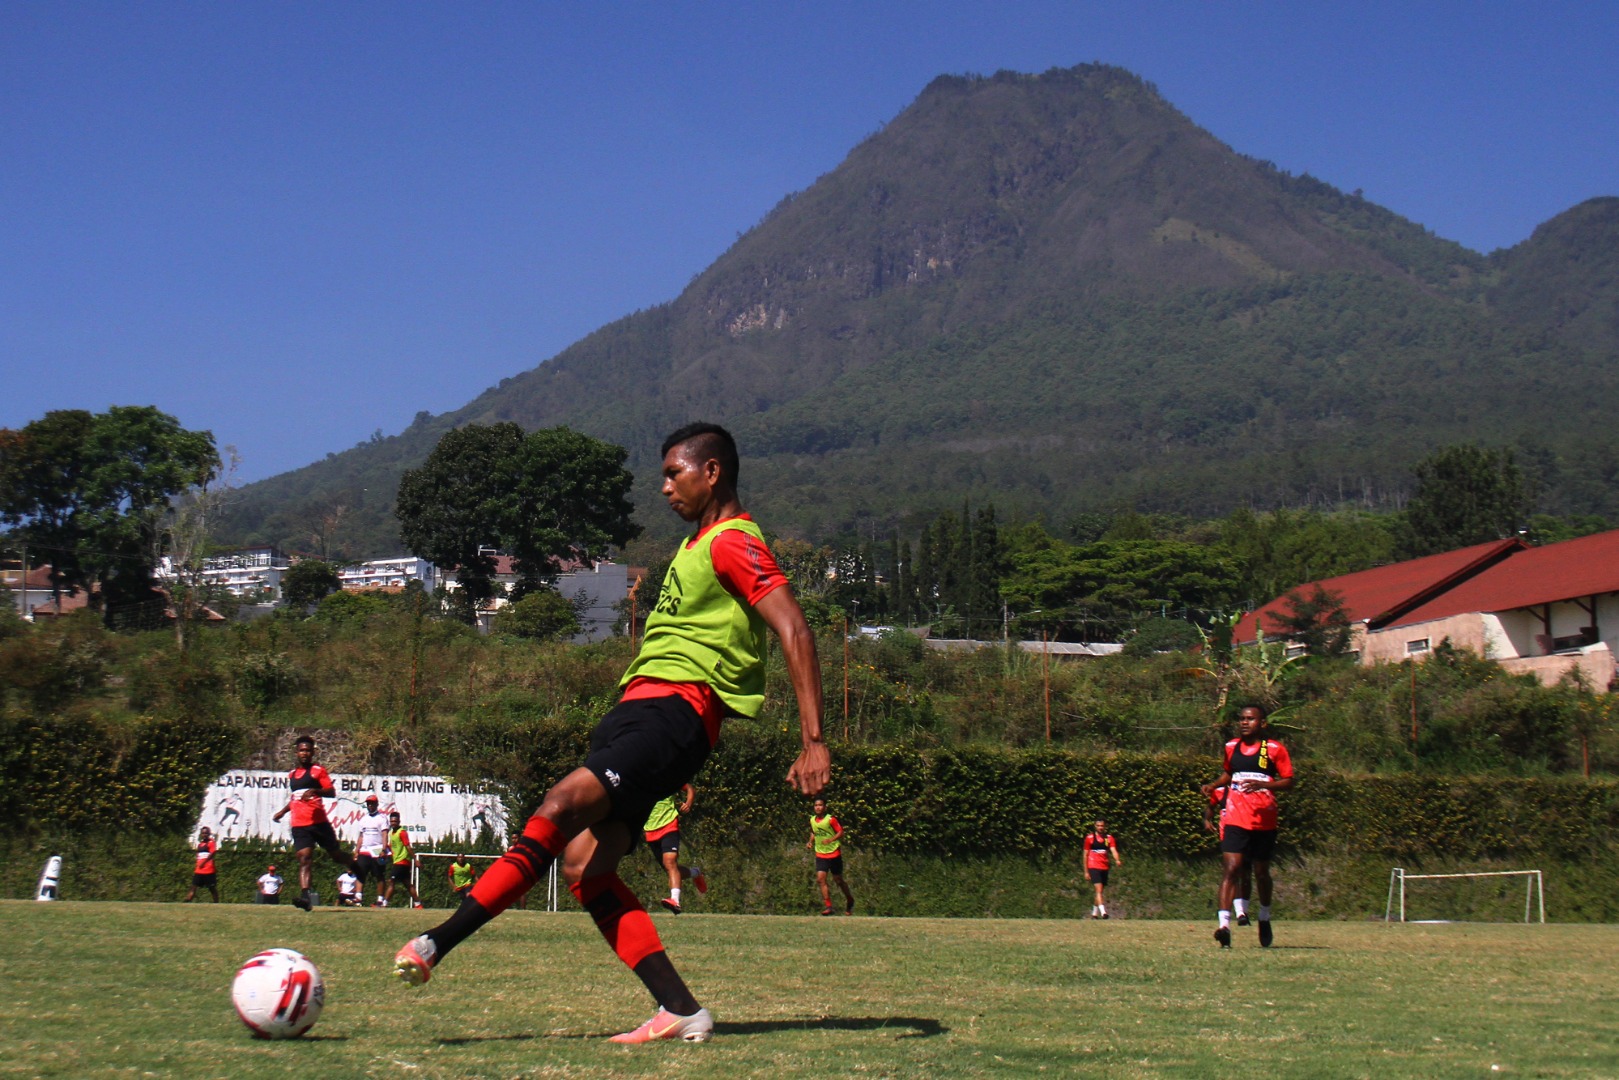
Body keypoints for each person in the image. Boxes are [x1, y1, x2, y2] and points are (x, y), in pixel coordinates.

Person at [392, 422, 830, 1045]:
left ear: (711, 473)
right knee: (582, 867)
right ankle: (680, 1009)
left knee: (560, 804)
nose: (664, 487)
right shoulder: (693, 547)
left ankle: (438, 941)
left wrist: (813, 740)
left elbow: (796, 629)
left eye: (674, 473)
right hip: (638, 711)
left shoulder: (734, 540)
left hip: (676, 714)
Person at [1202, 704, 1294, 948]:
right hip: (1234, 817)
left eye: (1250, 719)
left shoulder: (1274, 749)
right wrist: (1213, 784)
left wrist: (1264, 785)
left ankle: (1264, 917)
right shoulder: (1231, 747)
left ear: (1262, 723)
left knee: (1261, 873)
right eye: (1241, 719)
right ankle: (1224, 927)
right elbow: (1228, 774)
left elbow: (1288, 782)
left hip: (1264, 819)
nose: (1244, 723)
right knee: (1231, 869)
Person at [270, 735, 362, 911]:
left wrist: (315, 791)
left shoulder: (318, 771)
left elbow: (331, 792)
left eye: (307, 750)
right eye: (301, 750)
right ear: (296, 752)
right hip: (299, 824)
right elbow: (295, 798)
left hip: (318, 823)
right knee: (304, 859)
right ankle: (306, 898)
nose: (304, 753)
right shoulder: (292, 775)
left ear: (312, 752)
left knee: (335, 856)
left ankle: (353, 865)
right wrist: (282, 812)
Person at [643, 783, 707, 914]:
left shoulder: (667, 776)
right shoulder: (639, 779)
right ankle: (695, 873)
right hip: (650, 831)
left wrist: (688, 802)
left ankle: (675, 901)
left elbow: (689, 788)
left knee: (669, 862)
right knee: (671, 869)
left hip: (669, 825)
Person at [1202, 783, 1252, 925]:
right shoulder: (1220, 792)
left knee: (1246, 873)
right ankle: (1239, 913)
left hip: (1246, 833)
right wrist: (1207, 820)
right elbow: (1210, 807)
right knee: (1232, 871)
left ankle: (1243, 911)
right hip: (1228, 836)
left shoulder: (1248, 789)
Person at [808, 796, 854, 916]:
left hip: (833, 853)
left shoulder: (831, 819)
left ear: (825, 807)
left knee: (838, 880)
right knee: (820, 879)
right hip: (820, 853)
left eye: (820, 805)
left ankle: (849, 899)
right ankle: (829, 906)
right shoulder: (812, 820)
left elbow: (840, 832)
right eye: (816, 805)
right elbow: (813, 832)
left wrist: (831, 840)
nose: (818, 807)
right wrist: (810, 842)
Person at [355, 794, 391, 906]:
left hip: (377, 850)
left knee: (379, 875)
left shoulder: (382, 818)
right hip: (365, 850)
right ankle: (358, 898)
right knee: (360, 873)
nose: (370, 805)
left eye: (372, 803)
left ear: (376, 804)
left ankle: (380, 899)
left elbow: (385, 834)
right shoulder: (363, 819)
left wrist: (384, 849)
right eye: (368, 803)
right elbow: (361, 836)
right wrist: (357, 850)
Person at [385, 811, 424, 909]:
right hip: (398, 861)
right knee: (407, 884)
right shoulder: (391, 833)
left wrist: (415, 859)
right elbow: (393, 847)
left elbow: (408, 847)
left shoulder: (402, 832)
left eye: (395, 821)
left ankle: (383, 904)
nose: (393, 823)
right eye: (392, 821)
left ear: (399, 821)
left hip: (402, 862)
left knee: (391, 881)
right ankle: (418, 904)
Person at [1083, 820, 1121, 919]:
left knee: (1099, 891)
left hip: (1104, 867)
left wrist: (1117, 860)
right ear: (1095, 826)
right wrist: (1086, 871)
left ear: (1105, 827)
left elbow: (1113, 850)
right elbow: (1085, 855)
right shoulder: (1089, 838)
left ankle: (1094, 914)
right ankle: (1104, 912)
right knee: (1099, 890)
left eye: (1102, 826)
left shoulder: (1109, 838)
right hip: (1093, 866)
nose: (1100, 827)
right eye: (1098, 825)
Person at [185, 826, 219, 903]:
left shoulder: (211, 842)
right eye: (203, 833)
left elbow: (212, 853)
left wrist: (203, 863)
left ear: (209, 834)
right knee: (193, 886)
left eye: (206, 833)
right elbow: (198, 854)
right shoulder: (200, 844)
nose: (204, 834)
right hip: (199, 870)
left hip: (208, 870)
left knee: (212, 887)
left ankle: (216, 903)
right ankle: (187, 900)